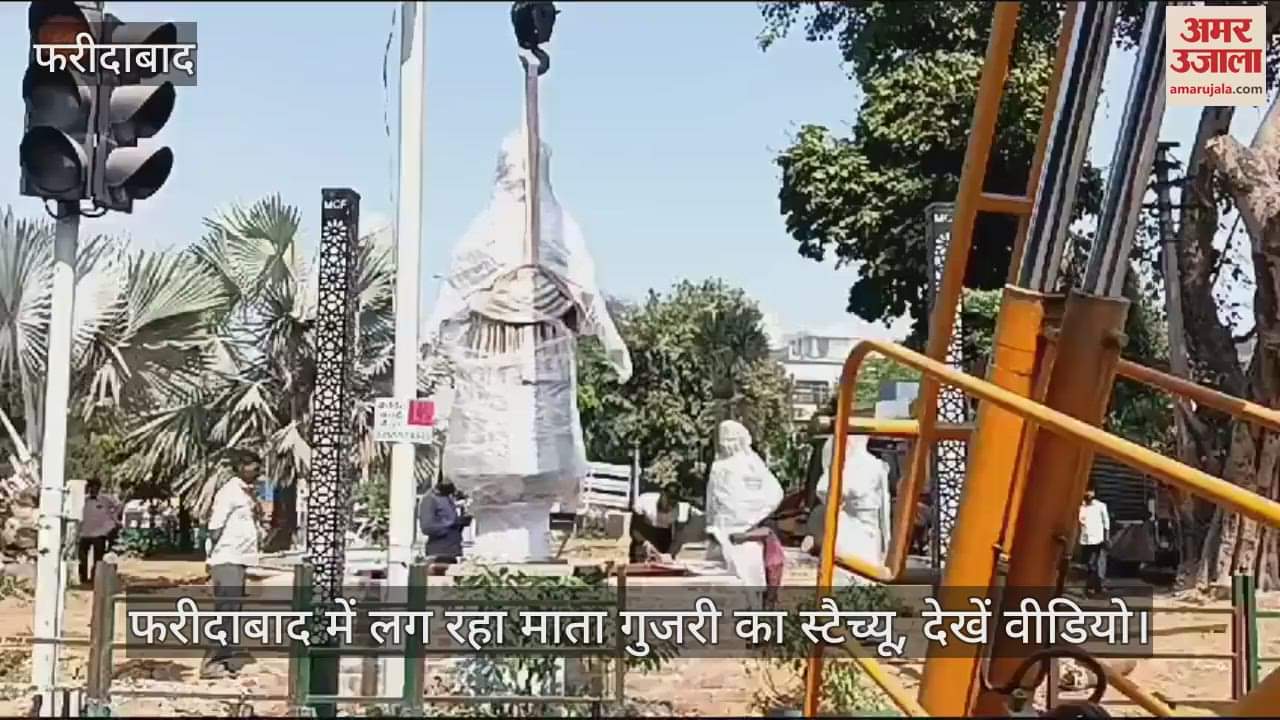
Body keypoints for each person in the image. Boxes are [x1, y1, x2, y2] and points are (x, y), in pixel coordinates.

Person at [201, 451, 264, 679]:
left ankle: (224, 659)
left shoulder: (245, 494)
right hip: (227, 559)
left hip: (238, 560)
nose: (257, 471)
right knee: (225, 612)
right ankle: (211, 664)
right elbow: (215, 528)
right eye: (253, 467)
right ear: (240, 467)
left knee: (232, 613)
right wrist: (212, 560)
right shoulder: (229, 493)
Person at [705, 420, 784, 599]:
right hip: (733, 536)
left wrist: (749, 516)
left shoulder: (741, 465)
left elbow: (774, 494)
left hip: (736, 536)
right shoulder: (731, 465)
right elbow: (712, 501)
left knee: (742, 592)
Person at [803, 435, 892, 587]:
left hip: (859, 537)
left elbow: (826, 489)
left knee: (855, 583)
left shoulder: (863, 466)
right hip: (857, 536)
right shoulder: (870, 466)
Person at [78, 478, 121, 586]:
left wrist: (114, 519)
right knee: (82, 558)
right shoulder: (83, 500)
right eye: (91, 487)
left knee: (98, 559)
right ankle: (83, 579)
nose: (93, 489)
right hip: (84, 533)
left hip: (100, 533)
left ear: (98, 488)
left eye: (95, 487)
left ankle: (95, 578)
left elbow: (118, 506)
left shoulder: (105, 500)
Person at [419, 479, 471, 561]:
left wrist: (461, 522)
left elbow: (453, 525)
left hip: (454, 550)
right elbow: (427, 527)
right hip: (438, 551)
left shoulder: (448, 498)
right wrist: (451, 523)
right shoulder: (430, 499)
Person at [629, 486, 678, 563]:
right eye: (668, 500)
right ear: (662, 494)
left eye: (673, 503)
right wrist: (644, 542)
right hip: (642, 537)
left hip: (660, 538)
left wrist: (668, 554)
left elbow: (668, 537)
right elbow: (634, 529)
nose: (669, 505)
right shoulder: (645, 500)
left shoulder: (674, 512)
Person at [1078, 487, 1110, 595]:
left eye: (1090, 491)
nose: (1088, 493)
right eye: (1086, 491)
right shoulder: (1081, 506)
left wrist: (1106, 538)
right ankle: (1095, 586)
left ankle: (1093, 586)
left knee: (1095, 563)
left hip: (1098, 539)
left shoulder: (1100, 506)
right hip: (1085, 539)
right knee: (1090, 564)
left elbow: (1106, 524)